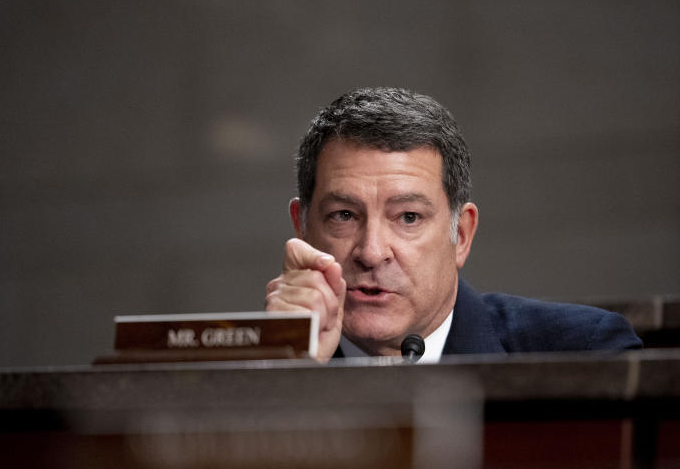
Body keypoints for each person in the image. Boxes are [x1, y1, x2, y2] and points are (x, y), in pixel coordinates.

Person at [265, 87, 641, 362]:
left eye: (408, 217)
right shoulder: (241, 373)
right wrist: (289, 377)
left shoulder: (585, 353)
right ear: (302, 228)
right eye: (344, 216)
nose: (372, 252)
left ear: (460, 235)